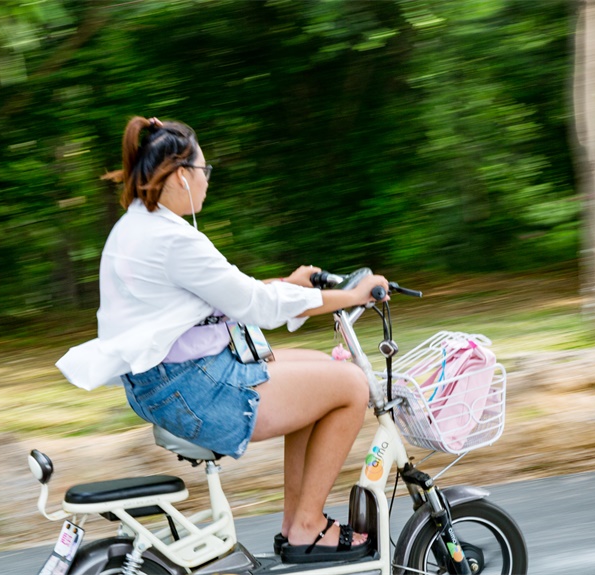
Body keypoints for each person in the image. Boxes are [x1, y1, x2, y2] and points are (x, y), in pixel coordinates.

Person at [56, 117, 387, 564]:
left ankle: (299, 524)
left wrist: (290, 285)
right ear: (180, 175)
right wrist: (349, 296)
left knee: (319, 370)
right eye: (204, 171)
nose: (207, 182)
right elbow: (257, 305)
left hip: (168, 380)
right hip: (191, 388)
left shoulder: (138, 226)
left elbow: (227, 296)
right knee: (350, 385)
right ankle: (307, 526)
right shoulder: (172, 238)